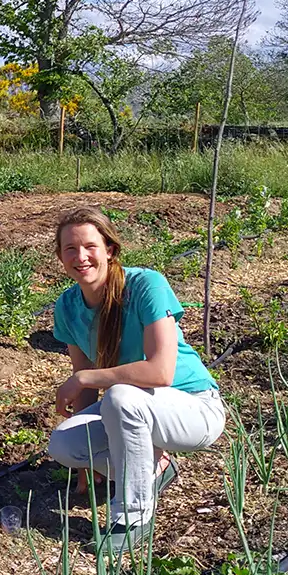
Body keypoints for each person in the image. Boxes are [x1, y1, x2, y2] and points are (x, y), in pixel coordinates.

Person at [47, 206, 225, 551]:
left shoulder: (146, 285)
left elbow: (160, 372)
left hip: (191, 406)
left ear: (109, 250)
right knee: (65, 445)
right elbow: (85, 385)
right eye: (70, 249)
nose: (80, 256)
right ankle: (156, 469)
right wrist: (85, 462)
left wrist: (86, 378)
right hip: (132, 405)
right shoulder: (67, 306)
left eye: (90, 246)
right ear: (60, 257)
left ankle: (133, 517)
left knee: (120, 397)